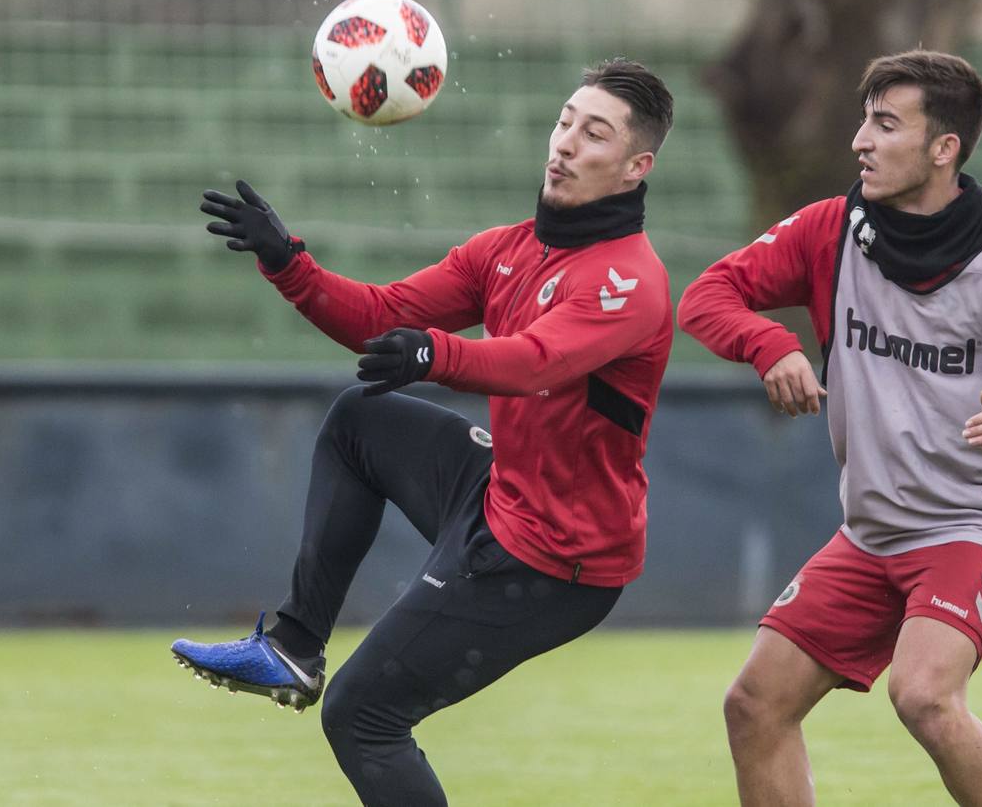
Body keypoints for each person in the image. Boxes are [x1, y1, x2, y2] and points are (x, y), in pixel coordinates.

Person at [169, 58, 674, 806]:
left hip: (553, 564)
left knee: (362, 719)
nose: (564, 143)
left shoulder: (628, 281)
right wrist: (288, 263)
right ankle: (294, 644)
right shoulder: (506, 249)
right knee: (360, 421)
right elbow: (381, 317)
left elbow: (536, 362)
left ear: (636, 167)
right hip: (504, 498)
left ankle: (317, 670)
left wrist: (437, 352)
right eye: (564, 120)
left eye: (593, 133)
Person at [678, 50, 982, 807]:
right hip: (874, 528)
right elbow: (709, 295)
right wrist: (769, 344)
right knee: (753, 704)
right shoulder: (829, 231)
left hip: (977, 522)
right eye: (863, 121)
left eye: (885, 124)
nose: (859, 142)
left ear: (944, 149)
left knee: (925, 697)